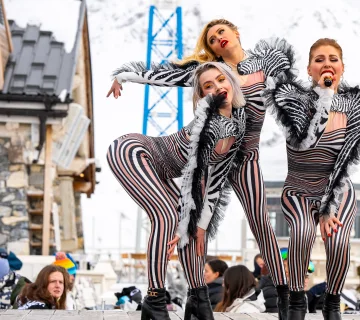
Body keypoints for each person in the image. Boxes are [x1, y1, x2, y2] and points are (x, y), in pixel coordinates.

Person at [109, 19, 294, 320]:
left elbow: (292, 94)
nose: (217, 39)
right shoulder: (213, 76)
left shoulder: (262, 64)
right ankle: (178, 298)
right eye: (211, 39)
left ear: (236, 32)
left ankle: (284, 295)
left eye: (222, 32)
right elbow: (167, 75)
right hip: (201, 154)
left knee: (259, 221)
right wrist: (125, 75)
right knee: (185, 223)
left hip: (245, 157)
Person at [108, 61, 246, 320]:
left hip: (164, 171)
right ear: (203, 95)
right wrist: (123, 76)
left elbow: (216, 179)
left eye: (220, 80)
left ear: (231, 81)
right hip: (133, 151)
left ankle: (198, 298)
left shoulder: (239, 125)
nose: (217, 87)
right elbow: (194, 177)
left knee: (193, 231)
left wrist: (202, 225)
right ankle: (155, 300)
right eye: (208, 86)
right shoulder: (207, 120)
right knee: (168, 217)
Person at [263, 37, 360, 320]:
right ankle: (296, 299)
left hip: (337, 186)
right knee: (303, 233)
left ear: (342, 67)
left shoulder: (357, 106)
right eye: (319, 59)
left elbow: (345, 160)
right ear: (309, 69)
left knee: (339, 241)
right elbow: (304, 142)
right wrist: (325, 98)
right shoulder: (292, 99)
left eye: (333, 59)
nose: (326, 64)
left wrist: (328, 206)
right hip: (299, 187)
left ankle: (332, 301)